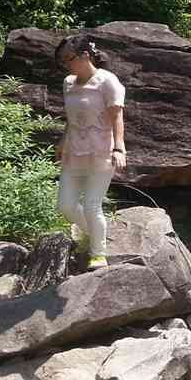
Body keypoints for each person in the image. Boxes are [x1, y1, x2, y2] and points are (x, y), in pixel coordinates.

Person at [54, 35, 126, 270]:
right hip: (74, 151)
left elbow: (117, 117)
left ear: (85, 55)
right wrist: (63, 142)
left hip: (101, 151)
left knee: (92, 205)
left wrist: (119, 147)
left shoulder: (107, 81)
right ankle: (95, 233)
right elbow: (71, 118)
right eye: (63, 60)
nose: (66, 64)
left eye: (69, 58)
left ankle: (98, 254)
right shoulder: (68, 83)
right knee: (65, 205)